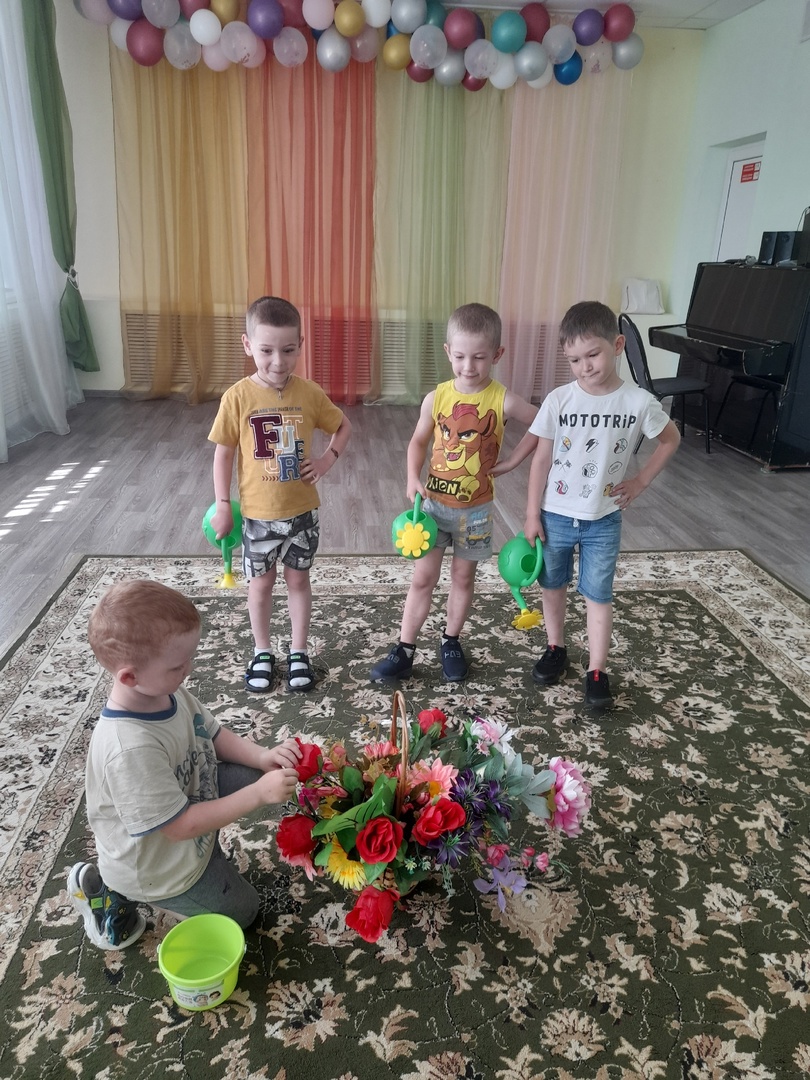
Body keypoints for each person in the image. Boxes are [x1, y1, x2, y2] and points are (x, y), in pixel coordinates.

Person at [68, 579, 302, 950]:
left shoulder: (165, 689)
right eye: (178, 665)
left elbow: (213, 734)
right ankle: (115, 897)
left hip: (187, 803)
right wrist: (258, 795)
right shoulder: (129, 748)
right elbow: (179, 827)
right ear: (129, 676)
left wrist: (262, 756)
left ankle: (205, 861)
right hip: (159, 867)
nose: (188, 670)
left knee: (262, 774)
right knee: (244, 913)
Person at [521, 300, 681, 709]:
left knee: (598, 594)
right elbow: (541, 459)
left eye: (592, 355)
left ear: (618, 345)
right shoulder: (559, 400)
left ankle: (596, 670)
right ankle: (556, 648)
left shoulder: (638, 402)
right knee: (552, 585)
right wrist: (531, 513)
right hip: (555, 515)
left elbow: (671, 439)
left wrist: (641, 481)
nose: (584, 367)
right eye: (574, 360)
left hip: (604, 520)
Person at [370, 302, 538, 684]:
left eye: (479, 357)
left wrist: (514, 461)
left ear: (497, 354)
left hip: (476, 514)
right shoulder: (437, 397)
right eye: (460, 356)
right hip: (432, 509)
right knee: (422, 579)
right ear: (448, 352)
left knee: (463, 579)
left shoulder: (503, 399)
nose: (469, 366)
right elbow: (417, 441)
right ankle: (405, 648)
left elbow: (544, 422)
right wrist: (411, 477)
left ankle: (450, 641)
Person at [208, 296, 352, 693]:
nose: (278, 361)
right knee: (260, 585)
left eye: (288, 350)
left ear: (300, 345)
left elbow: (343, 426)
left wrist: (326, 460)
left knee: (298, 582)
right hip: (258, 516)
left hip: (302, 513)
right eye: (267, 350)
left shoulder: (309, 393)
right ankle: (262, 651)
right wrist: (223, 504)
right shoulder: (237, 397)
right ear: (247, 345)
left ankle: (299, 651)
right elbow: (223, 454)